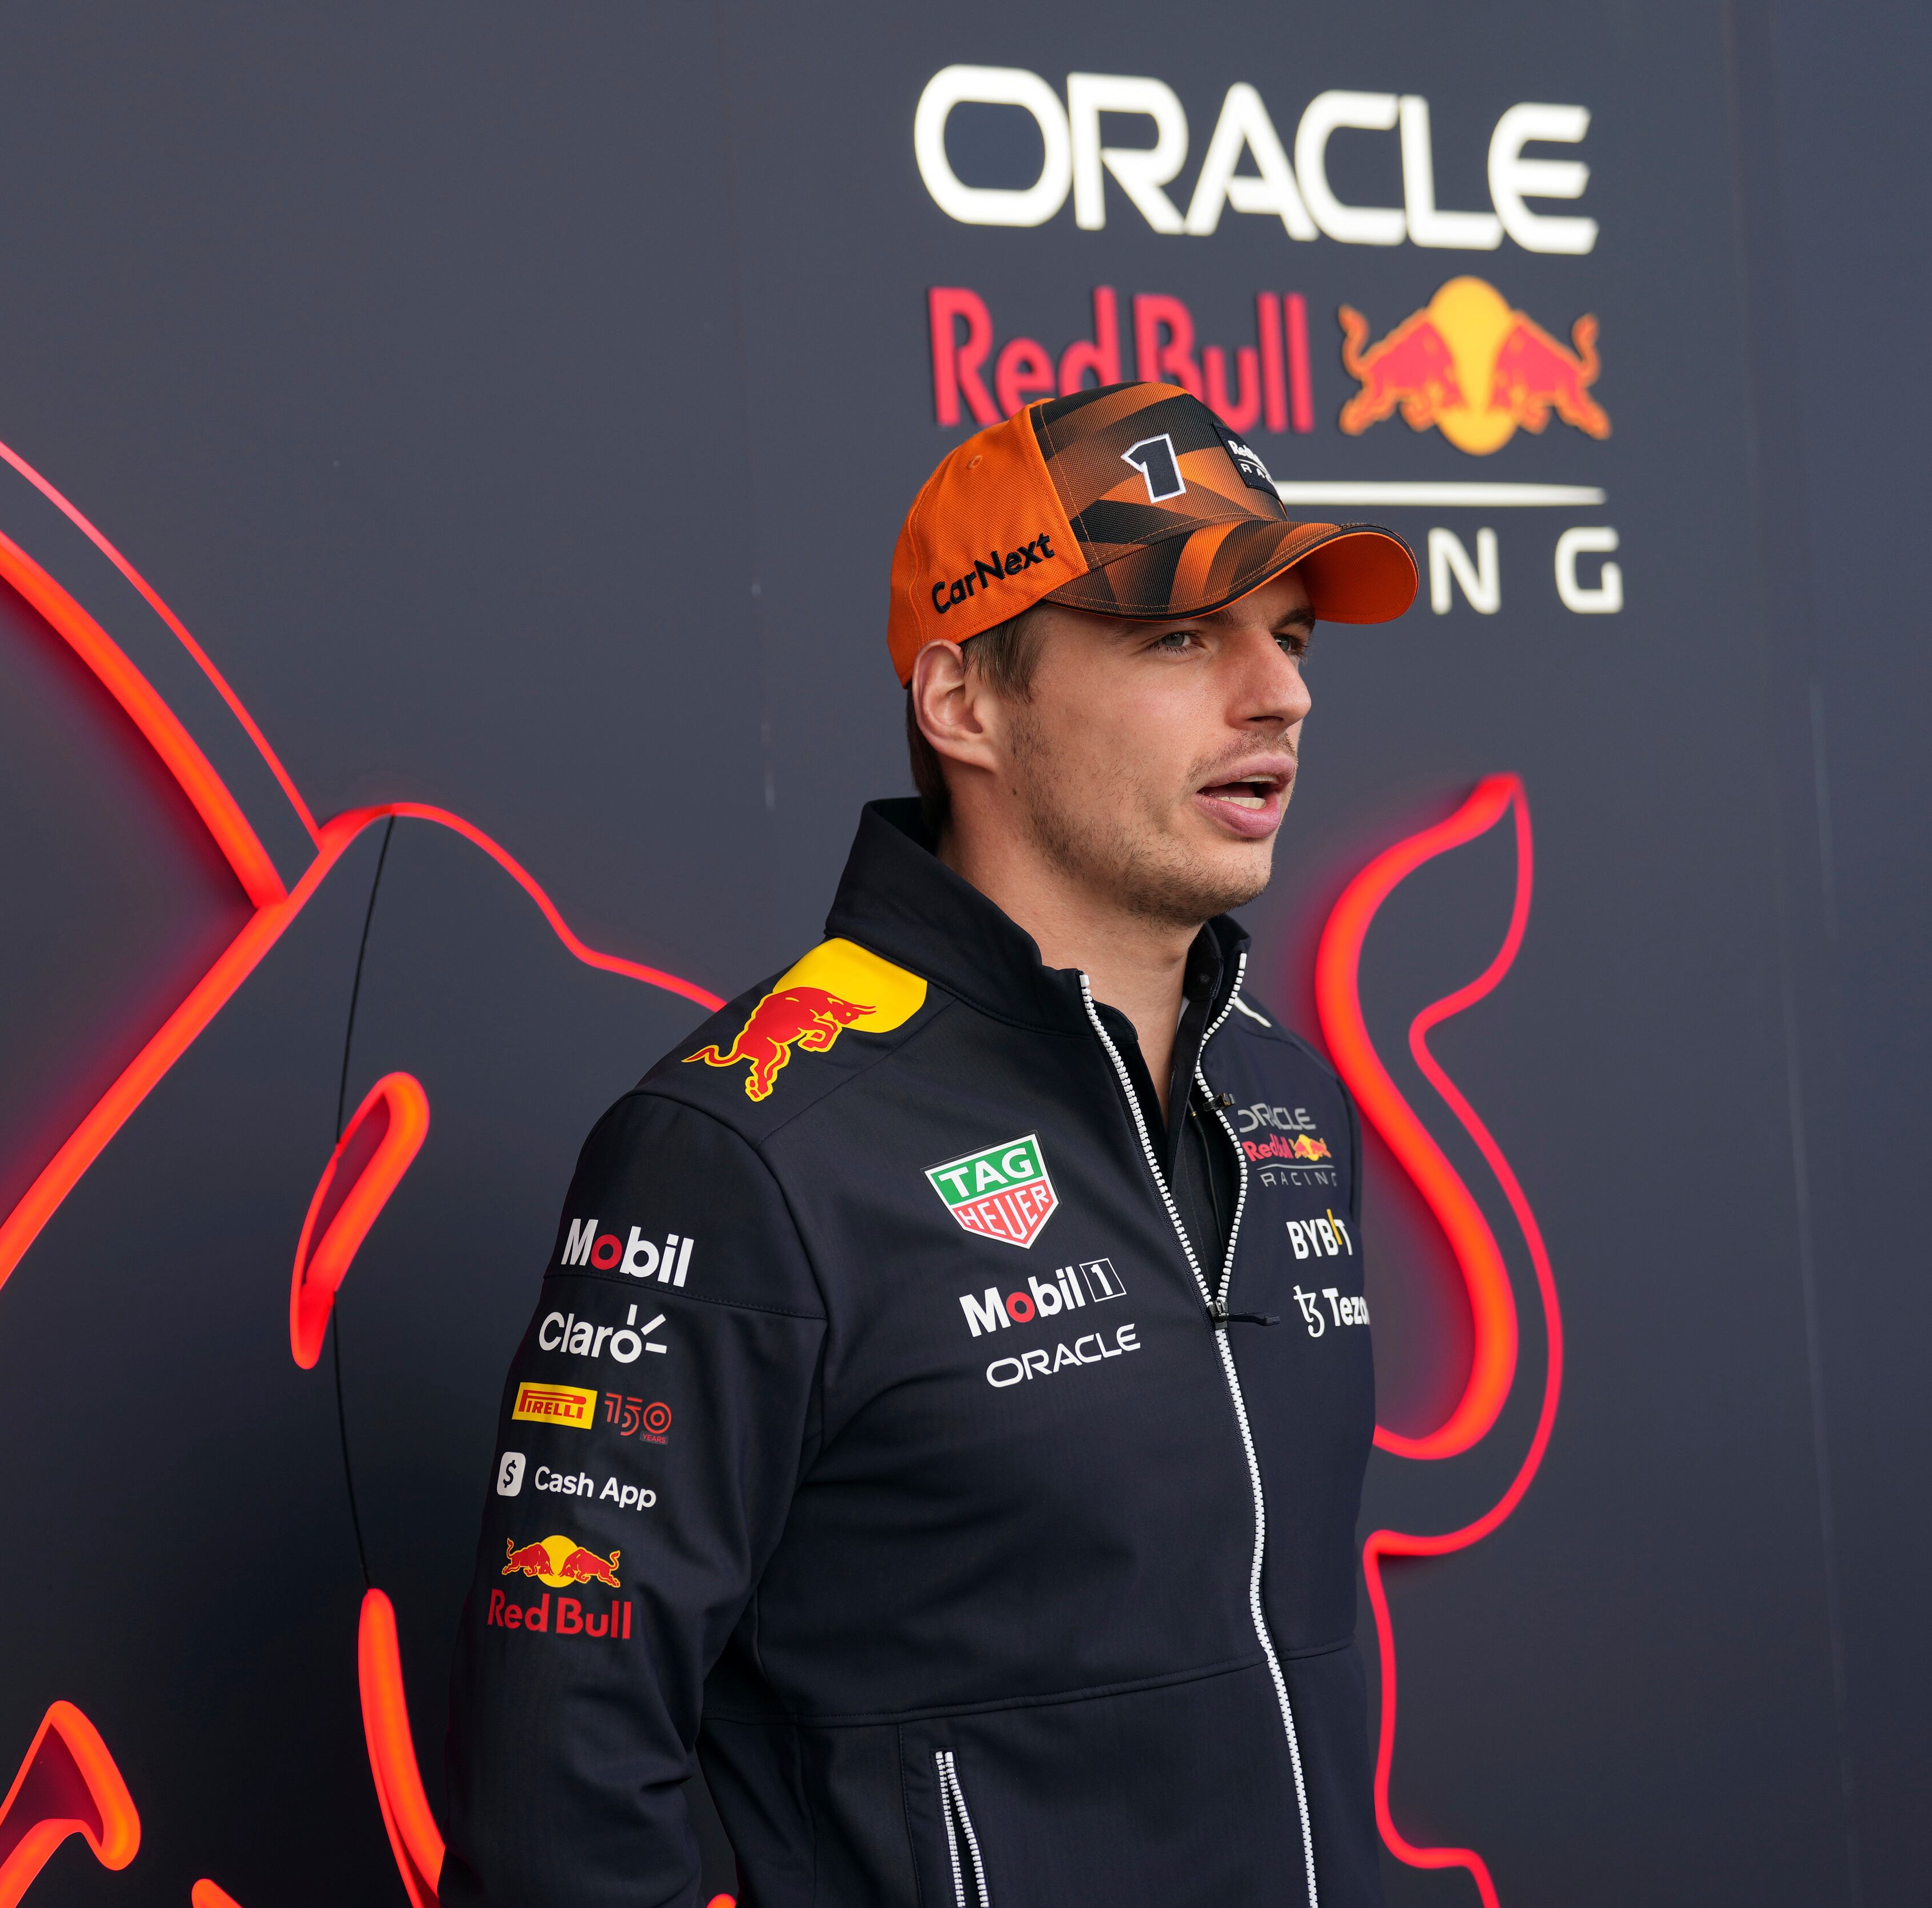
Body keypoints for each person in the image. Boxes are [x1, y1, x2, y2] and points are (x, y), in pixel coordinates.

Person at [437, 381, 1418, 1908]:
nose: (1278, 694)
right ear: (965, 703)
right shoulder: (746, 1147)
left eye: (1288, 638)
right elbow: (560, 1794)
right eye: (1180, 637)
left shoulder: (1282, 1099)